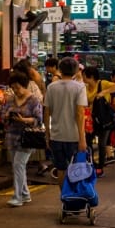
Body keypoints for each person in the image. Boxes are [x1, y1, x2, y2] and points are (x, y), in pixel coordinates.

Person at [0, 72, 44, 206]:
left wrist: (23, 119)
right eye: (13, 88)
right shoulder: (11, 99)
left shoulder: (33, 100)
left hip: (27, 138)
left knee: (18, 164)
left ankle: (17, 196)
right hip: (12, 136)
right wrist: (6, 115)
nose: (16, 91)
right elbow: (2, 114)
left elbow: (38, 119)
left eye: (17, 87)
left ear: (24, 86)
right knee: (17, 167)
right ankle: (25, 194)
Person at [43, 56, 88, 186]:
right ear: (75, 71)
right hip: (74, 136)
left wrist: (47, 134)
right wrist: (82, 138)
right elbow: (80, 113)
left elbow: (47, 113)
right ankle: (75, 198)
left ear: (60, 70)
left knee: (61, 169)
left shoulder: (52, 87)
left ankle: (65, 198)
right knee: (77, 170)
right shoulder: (79, 87)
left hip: (56, 135)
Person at [82, 66, 115, 177]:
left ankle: (100, 167)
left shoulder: (102, 83)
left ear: (91, 76)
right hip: (91, 119)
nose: (83, 78)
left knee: (102, 143)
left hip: (104, 119)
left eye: (84, 75)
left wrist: (104, 92)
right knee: (88, 141)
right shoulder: (85, 88)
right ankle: (92, 164)